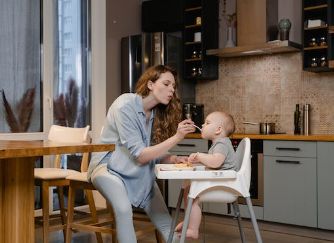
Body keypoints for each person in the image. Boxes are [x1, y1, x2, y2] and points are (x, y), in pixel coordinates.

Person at [87, 65, 196, 243]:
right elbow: (142, 155)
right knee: (123, 209)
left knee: (166, 223)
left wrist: (175, 159)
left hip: (139, 170)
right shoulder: (124, 105)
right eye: (166, 84)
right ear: (150, 84)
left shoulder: (156, 114)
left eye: (174, 86)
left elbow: (156, 152)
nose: (171, 90)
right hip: (107, 167)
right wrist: (177, 137)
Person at [174, 111, 237, 240]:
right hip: (221, 181)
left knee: (192, 192)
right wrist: (198, 160)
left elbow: (215, 162)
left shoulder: (222, 144)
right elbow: (213, 160)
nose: (202, 125)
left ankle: (193, 229)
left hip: (224, 184)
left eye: (207, 123)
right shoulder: (218, 144)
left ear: (218, 130)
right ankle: (189, 222)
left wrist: (200, 156)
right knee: (188, 190)